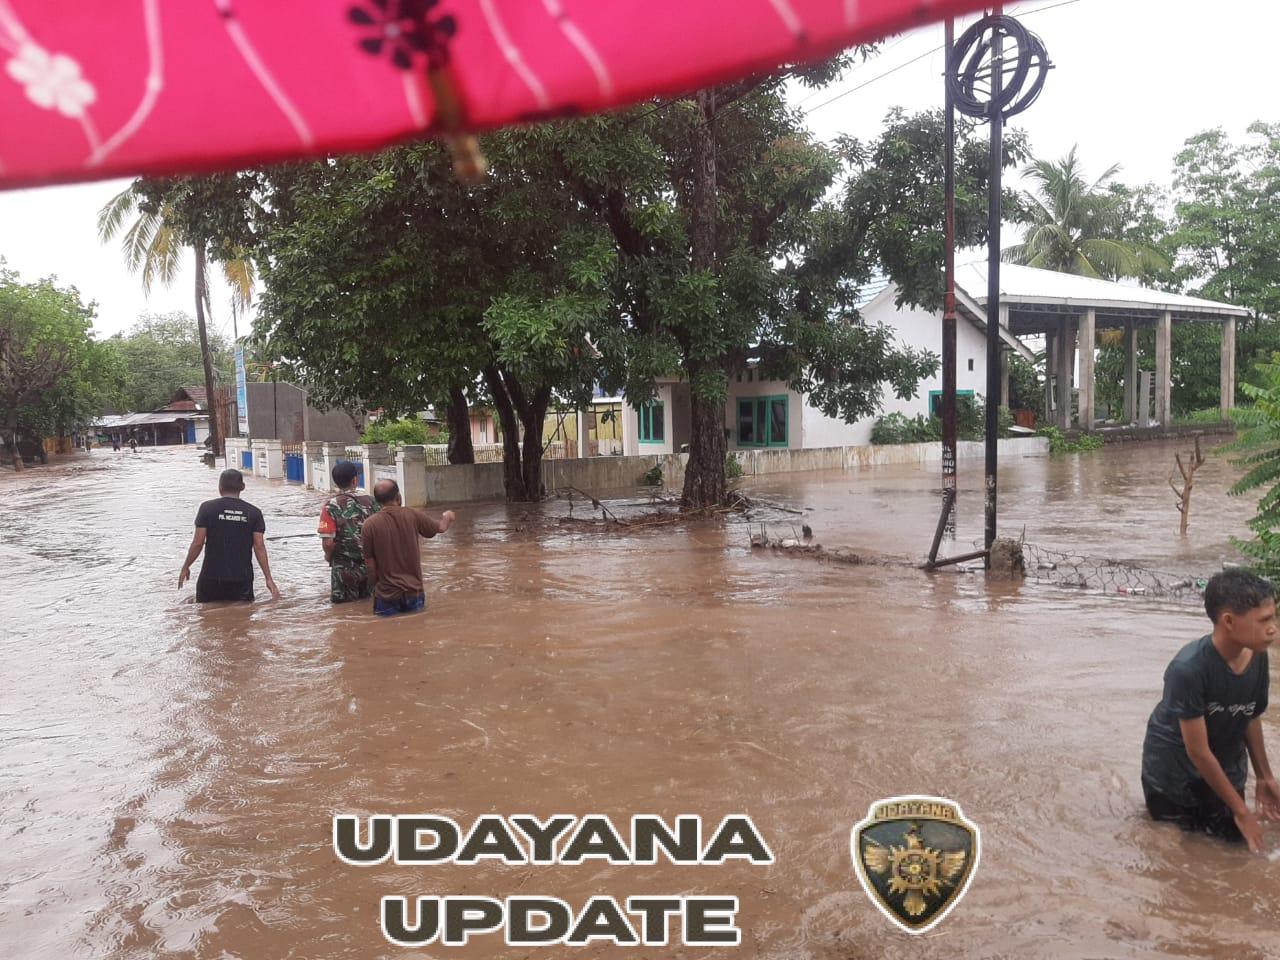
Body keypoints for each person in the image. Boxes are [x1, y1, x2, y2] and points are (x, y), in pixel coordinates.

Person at [1142, 569, 1280, 852]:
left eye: (1274, 616)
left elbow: (1250, 715)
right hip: (1174, 777)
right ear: (1228, 621)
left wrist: (1265, 777)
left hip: (1226, 766)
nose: (1273, 628)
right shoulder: (1188, 669)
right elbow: (1198, 752)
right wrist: (1241, 811)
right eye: (1264, 619)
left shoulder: (1257, 655)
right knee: (1177, 852)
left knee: (1237, 850)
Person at [178, 468, 281, 603]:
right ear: (242, 487)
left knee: (206, 619)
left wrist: (186, 566)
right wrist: (268, 578)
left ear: (220, 488)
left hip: (211, 578)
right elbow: (259, 546)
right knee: (242, 619)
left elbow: (198, 543)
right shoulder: (254, 512)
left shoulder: (207, 508)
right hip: (241, 579)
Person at [360, 478, 454, 616]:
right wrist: (448, 516)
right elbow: (440, 527)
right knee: (417, 631)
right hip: (413, 592)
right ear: (398, 496)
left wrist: (375, 587)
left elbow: (370, 564)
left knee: (385, 634)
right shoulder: (412, 514)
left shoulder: (369, 525)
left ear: (376, 501)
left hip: (386, 595)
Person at [318, 461, 379, 604]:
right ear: (355, 480)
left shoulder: (330, 506)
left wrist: (328, 557)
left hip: (343, 570)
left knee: (343, 613)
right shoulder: (372, 502)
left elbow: (328, 543)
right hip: (371, 567)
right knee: (370, 607)